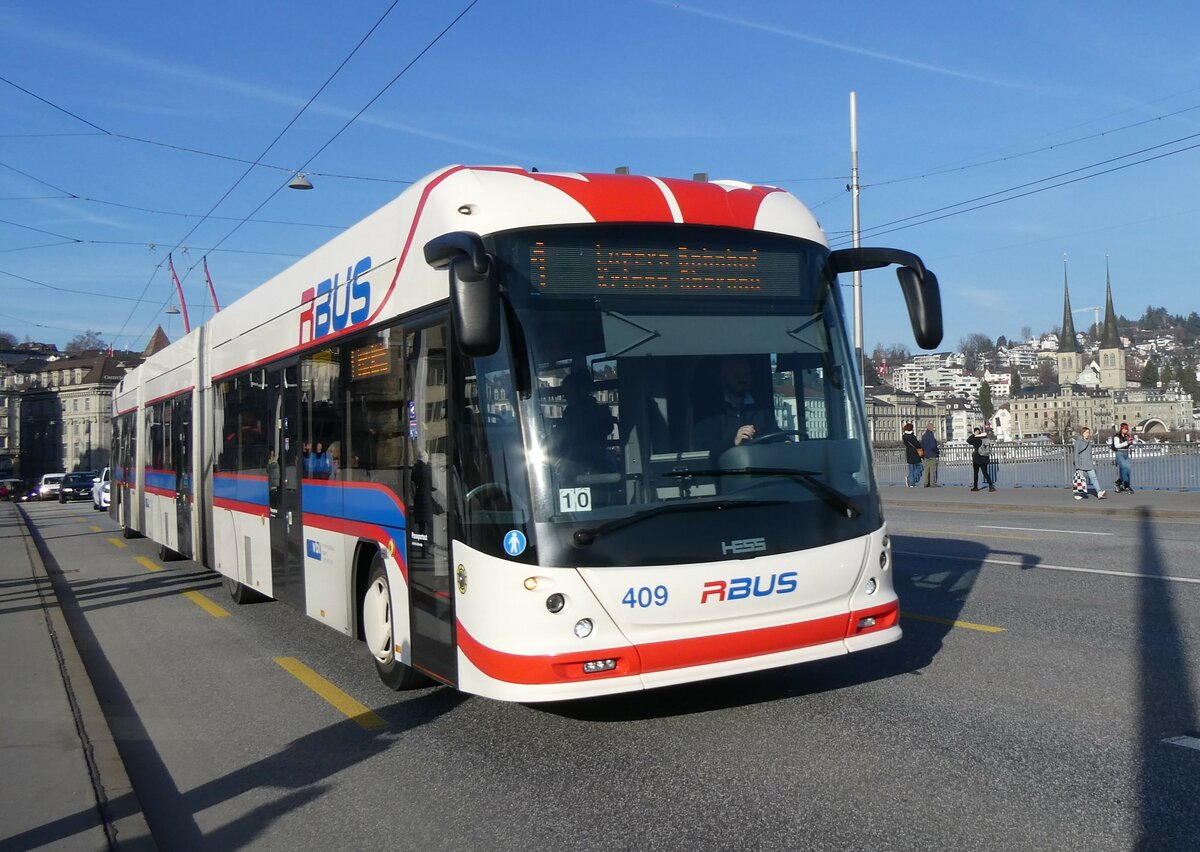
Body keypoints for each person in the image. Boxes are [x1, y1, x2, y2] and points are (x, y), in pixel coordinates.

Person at [693, 355, 780, 456]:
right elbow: (703, 447)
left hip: (761, 467)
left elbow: (774, 433)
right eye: (736, 374)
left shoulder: (760, 408)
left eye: (746, 374)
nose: (742, 379)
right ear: (723, 377)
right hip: (724, 470)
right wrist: (734, 441)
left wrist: (786, 442)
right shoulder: (709, 411)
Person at [549, 370, 616, 480]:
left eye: (569, 393)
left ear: (582, 391)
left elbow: (566, 437)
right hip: (588, 468)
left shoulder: (589, 413)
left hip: (583, 468)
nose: (566, 398)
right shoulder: (598, 411)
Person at [1072, 426, 1106, 500]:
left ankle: (1099, 492)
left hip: (1089, 463)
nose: (1088, 434)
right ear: (1082, 433)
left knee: (1093, 477)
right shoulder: (1078, 441)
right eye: (1086, 432)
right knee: (1080, 479)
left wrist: (1092, 462)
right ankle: (1078, 493)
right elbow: (1076, 454)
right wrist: (1077, 465)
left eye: (1088, 432)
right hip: (1081, 463)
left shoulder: (1088, 441)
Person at [967, 426, 995, 492]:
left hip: (977, 458)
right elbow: (992, 444)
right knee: (985, 473)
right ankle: (991, 486)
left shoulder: (976, 439)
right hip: (985, 458)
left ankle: (975, 487)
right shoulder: (986, 439)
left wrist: (974, 435)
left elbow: (968, 440)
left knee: (976, 473)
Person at [1109, 422, 1134, 493]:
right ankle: (1126, 486)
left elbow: (1129, 445)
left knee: (1128, 470)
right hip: (1119, 453)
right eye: (1125, 429)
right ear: (1122, 429)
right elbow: (1117, 446)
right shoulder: (1117, 436)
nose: (1126, 430)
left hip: (1126, 453)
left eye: (1127, 429)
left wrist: (1131, 443)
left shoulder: (1127, 436)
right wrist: (1126, 443)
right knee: (1124, 468)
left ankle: (1118, 482)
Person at [901, 422, 923, 487]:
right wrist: (920, 444)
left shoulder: (904, 436)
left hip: (909, 454)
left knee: (911, 469)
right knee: (920, 467)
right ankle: (910, 479)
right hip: (915, 454)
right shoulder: (912, 436)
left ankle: (911, 483)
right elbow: (917, 444)